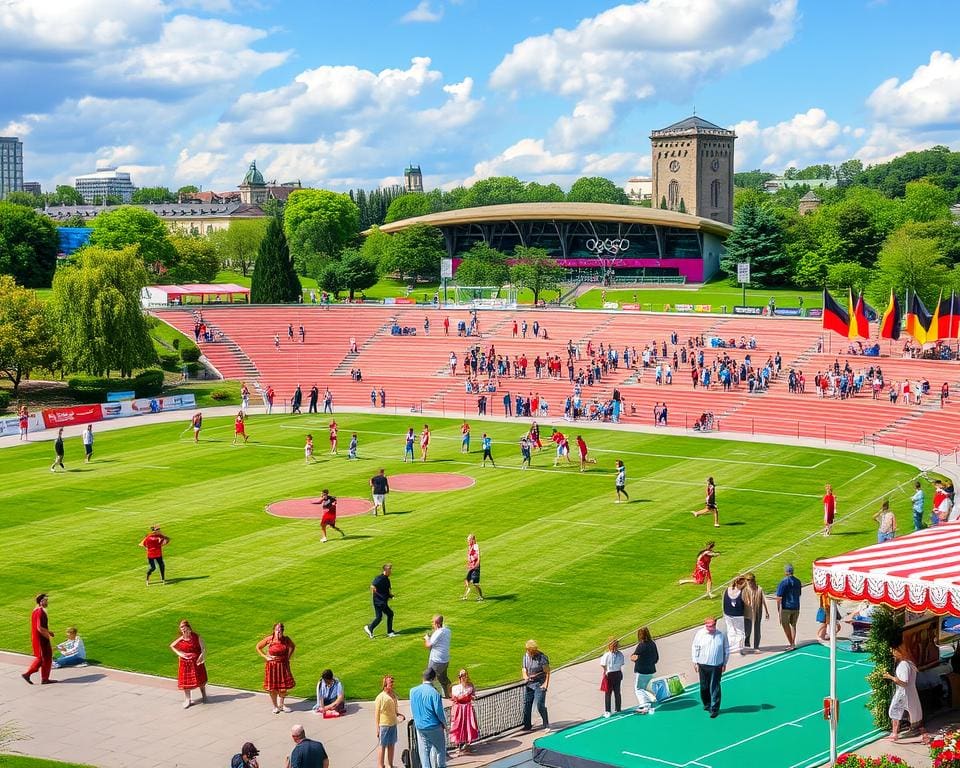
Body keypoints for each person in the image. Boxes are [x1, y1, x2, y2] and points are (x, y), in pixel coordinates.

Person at [885, 645, 926, 742]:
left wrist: (890, 677)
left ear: (899, 652)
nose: (893, 654)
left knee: (894, 711)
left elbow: (904, 682)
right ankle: (921, 732)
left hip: (903, 693)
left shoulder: (903, 665)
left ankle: (894, 733)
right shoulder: (910, 663)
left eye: (894, 651)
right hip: (912, 692)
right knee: (914, 712)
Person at [691, 616, 729, 718]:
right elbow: (695, 647)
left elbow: (726, 649)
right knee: (704, 686)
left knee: (715, 686)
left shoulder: (721, 635)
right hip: (702, 664)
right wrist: (695, 662)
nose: (710, 628)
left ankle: (714, 708)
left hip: (716, 665)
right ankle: (707, 704)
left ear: (715, 624)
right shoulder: (700, 634)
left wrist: (724, 663)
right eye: (708, 626)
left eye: (712, 626)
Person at [410, 668, 447, 768]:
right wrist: (445, 724)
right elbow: (439, 712)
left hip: (420, 726)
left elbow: (413, 707)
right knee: (440, 750)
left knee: (424, 752)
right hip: (434, 726)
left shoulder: (413, 691)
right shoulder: (434, 693)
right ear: (434, 678)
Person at [257, 622, 296, 714]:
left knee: (283, 687)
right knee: (273, 688)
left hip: (283, 665)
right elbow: (258, 647)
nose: (279, 632)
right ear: (274, 630)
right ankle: (275, 706)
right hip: (272, 666)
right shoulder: (269, 639)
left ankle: (282, 705)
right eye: (277, 630)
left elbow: (292, 646)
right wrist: (266, 657)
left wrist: (288, 657)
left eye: (281, 630)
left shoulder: (286, 640)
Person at [170, 619, 208, 708]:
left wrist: (201, 656)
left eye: (184, 627)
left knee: (200, 679)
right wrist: (180, 654)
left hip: (196, 662)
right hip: (185, 663)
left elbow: (203, 648)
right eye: (181, 628)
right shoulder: (181, 638)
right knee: (185, 682)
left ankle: (204, 694)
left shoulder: (196, 637)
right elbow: (172, 646)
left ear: (188, 627)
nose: (182, 629)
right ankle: (188, 699)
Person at [22, 593, 54, 685]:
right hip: (41, 639)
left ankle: (45, 678)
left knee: (46, 658)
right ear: (41, 601)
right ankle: (28, 674)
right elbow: (39, 627)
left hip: (40, 638)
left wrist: (48, 632)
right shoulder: (39, 612)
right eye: (46, 600)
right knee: (43, 658)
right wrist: (47, 634)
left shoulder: (36, 611)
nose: (47, 602)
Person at [374, 675, 405, 768]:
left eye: (392, 682)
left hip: (393, 723)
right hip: (384, 725)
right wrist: (377, 728)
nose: (392, 684)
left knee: (391, 744)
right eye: (390, 682)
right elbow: (377, 714)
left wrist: (399, 714)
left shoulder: (393, 695)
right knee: (382, 745)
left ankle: (390, 765)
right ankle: (380, 765)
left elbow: (394, 709)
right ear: (385, 685)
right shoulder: (380, 697)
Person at [521, 639, 550, 731]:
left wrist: (545, 684)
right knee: (527, 704)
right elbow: (524, 668)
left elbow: (548, 672)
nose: (528, 652)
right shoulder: (525, 656)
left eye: (529, 650)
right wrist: (525, 676)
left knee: (539, 704)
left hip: (539, 683)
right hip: (530, 684)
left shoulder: (542, 657)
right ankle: (527, 725)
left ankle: (546, 725)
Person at [450, 669, 479, 756]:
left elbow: (474, 696)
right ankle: (457, 746)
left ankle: (467, 745)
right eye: (462, 675)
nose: (463, 677)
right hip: (458, 710)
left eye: (465, 675)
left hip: (467, 709)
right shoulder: (455, 688)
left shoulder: (470, 686)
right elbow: (454, 699)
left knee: (468, 726)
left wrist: (472, 697)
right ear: (459, 677)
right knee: (457, 726)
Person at [630, 627, 659, 712]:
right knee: (647, 688)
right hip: (650, 669)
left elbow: (634, 657)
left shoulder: (641, 645)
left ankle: (644, 705)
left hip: (642, 671)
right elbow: (656, 658)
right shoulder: (652, 644)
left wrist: (632, 657)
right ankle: (649, 702)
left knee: (639, 689)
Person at [365, 563, 397, 638]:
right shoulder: (380, 578)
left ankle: (371, 628)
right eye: (390, 570)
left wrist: (390, 596)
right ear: (386, 570)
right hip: (379, 602)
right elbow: (372, 586)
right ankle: (389, 632)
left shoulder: (386, 579)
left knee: (380, 617)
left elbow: (387, 590)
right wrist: (378, 596)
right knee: (389, 614)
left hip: (381, 601)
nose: (391, 572)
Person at [775, 563, 802, 651]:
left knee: (785, 625)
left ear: (786, 572)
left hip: (786, 607)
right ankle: (793, 643)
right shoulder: (798, 581)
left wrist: (778, 610)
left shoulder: (783, 582)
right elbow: (799, 594)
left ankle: (791, 643)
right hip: (796, 606)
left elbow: (779, 597)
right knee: (793, 625)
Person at [423, 615, 452, 697]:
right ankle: (449, 695)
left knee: (428, 680)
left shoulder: (438, 632)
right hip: (445, 660)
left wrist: (426, 638)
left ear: (436, 623)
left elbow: (428, 645)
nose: (432, 624)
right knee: (443, 679)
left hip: (436, 661)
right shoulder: (448, 631)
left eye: (433, 622)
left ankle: (432, 697)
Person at [741, 572, 768, 652]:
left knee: (757, 628)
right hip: (747, 612)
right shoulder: (745, 589)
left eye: (751, 580)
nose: (749, 582)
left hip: (757, 610)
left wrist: (766, 611)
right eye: (748, 580)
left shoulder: (759, 589)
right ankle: (746, 643)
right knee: (747, 629)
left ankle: (756, 646)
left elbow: (763, 600)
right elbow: (743, 600)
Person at [600, 637, 625, 717]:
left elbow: (603, 664)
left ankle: (608, 711)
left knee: (608, 693)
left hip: (610, 674)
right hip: (618, 673)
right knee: (617, 692)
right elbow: (621, 663)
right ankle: (618, 709)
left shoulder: (607, 655)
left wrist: (606, 670)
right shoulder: (620, 654)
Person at [722, 576, 747, 655]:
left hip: (727, 613)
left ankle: (730, 647)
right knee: (740, 632)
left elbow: (723, 601)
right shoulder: (742, 592)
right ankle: (739, 648)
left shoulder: (727, 590)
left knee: (731, 630)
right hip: (738, 615)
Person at [462, 534, 483, 601]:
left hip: (475, 566)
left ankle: (480, 596)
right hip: (471, 566)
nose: (468, 541)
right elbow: (469, 556)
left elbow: (478, 556)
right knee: (467, 580)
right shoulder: (470, 546)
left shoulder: (475, 546)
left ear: (472, 540)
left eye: (469, 540)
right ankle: (468, 590)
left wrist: (477, 563)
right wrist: (468, 564)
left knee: (475, 583)